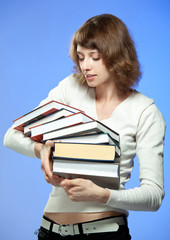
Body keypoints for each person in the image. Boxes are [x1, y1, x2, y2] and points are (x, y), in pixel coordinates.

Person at [4, 14, 166, 240]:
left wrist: (103, 195)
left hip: (105, 233)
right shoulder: (70, 88)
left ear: (117, 56)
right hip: (49, 231)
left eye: (95, 57)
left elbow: (154, 196)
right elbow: (11, 136)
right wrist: (43, 151)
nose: (85, 66)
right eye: (81, 57)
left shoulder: (145, 111)